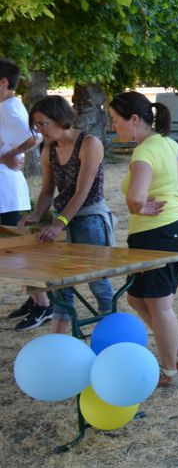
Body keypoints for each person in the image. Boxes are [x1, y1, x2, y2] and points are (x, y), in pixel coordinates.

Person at [108, 92, 178, 388]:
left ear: (134, 120)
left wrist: (139, 206)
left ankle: (170, 372)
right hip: (171, 229)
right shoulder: (170, 144)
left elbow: (135, 198)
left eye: (115, 120)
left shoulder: (145, 151)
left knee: (160, 306)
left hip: (157, 232)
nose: (113, 127)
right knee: (137, 298)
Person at [19, 96, 114, 335]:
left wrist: (58, 223)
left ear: (61, 119)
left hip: (90, 219)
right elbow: (47, 191)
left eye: (43, 124)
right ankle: (59, 339)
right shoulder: (48, 150)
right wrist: (36, 215)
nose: (40, 130)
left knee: (98, 281)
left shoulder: (89, 143)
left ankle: (112, 330)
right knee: (61, 284)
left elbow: (83, 191)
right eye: (36, 125)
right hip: (62, 219)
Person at [0, 58, 51, 329]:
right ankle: (35, 299)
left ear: (3, 82)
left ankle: (45, 304)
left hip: (5, 193)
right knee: (10, 252)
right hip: (4, 191)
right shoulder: (5, 107)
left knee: (14, 252)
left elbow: (36, 135)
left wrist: (10, 155)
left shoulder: (9, 108)